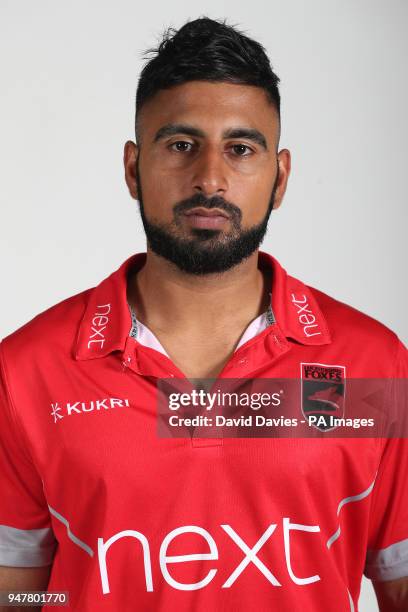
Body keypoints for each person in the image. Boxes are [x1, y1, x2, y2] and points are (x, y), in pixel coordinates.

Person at [0, 16, 407, 612]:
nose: (209, 178)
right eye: (181, 145)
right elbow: (21, 594)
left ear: (280, 176)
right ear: (134, 169)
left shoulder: (370, 363)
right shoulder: (26, 372)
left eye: (240, 149)